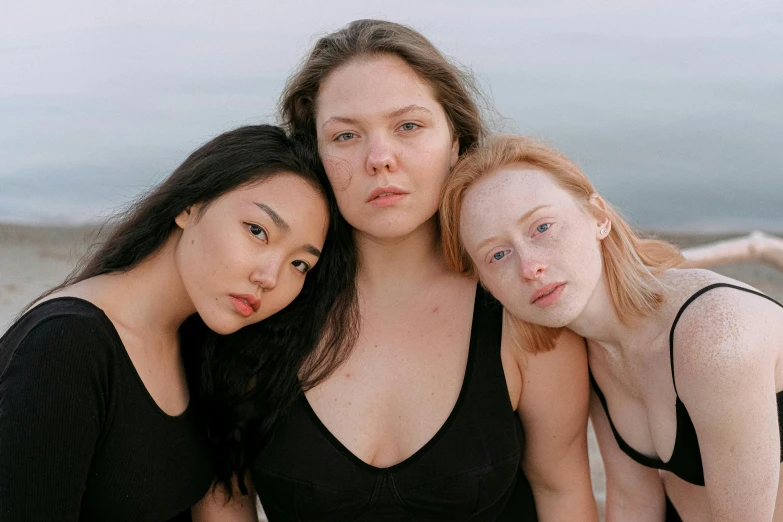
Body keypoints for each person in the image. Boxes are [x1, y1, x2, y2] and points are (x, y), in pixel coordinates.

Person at [195, 20, 598, 522]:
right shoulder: (260, 301)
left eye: (408, 126)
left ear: (456, 140)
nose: (379, 159)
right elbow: (225, 500)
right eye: (345, 135)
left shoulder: (520, 302)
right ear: (314, 156)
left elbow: (563, 494)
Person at [0, 125, 350, 522]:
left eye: (299, 264)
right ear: (190, 205)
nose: (270, 277)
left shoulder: (199, 346)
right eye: (257, 231)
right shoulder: (66, 345)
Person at [439, 134, 783, 521]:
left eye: (542, 227)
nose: (529, 266)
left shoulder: (715, 336)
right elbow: (634, 499)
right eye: (498, 254)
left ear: (599, 218)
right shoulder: (595, 348)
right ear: (487, 284)